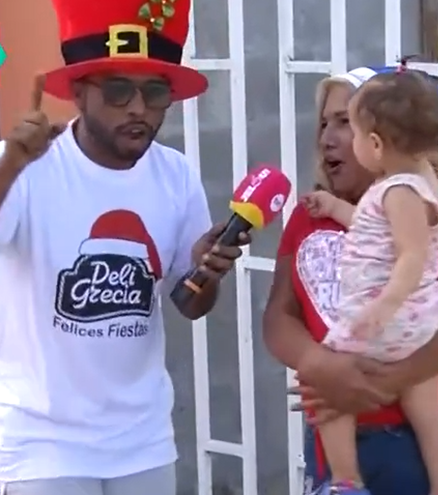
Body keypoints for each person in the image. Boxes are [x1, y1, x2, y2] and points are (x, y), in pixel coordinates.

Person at [0, 0, 245, 493]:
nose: (137, 108)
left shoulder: (175, 175)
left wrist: (206, 272)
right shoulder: (26, 167)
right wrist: (11, 165)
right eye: (117, 90)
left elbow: (189, 304)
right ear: (79, 92)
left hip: (143, 440)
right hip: (41, 444)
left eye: (155, 93)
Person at [262, 66, 438, 495]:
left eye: (345, 122)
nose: (327, 138)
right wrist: (320, 364)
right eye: (323, 123)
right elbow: (278, 317)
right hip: (339, 438)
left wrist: (388, 381)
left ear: (384, 135)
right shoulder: (314, 212)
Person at [299, 69, 438, 495]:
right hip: (421, 322)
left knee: (323, 381)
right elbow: (372, 229)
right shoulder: (419, 184)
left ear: (373, 144)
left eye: (351, 130)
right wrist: (333, 206)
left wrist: (384, 305)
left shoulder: (399, 191)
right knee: (426, 406)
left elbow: (411, 254)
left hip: (393, 317)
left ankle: (345, 480)